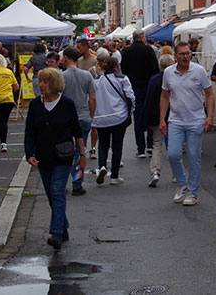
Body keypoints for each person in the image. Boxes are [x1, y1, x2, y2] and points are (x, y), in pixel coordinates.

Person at [24, 68, 85, 249]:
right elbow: (30, 132)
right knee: (51, 195)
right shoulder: (35, 105)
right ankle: (63, 226)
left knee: (57, 191)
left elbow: (77, 130)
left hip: (63, 156)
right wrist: (30, 154)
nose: (41, 85)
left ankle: (56, 233)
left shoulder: (66, 104)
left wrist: (82, 154)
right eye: (40, 81)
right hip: (43, 156)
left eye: (45, 82)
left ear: (55, 83)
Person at [159, 41, 214, 206]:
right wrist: (162, 119)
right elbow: (164, 96)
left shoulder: (199, 71)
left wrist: (209, 116)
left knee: (193, 156)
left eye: (188, 53)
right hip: (175, 119)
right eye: (182, 54)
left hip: (195, 119)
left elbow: (210, 94)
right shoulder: (168, 72)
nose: (185, 56)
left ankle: (193, 192)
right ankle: (183, 184)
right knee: (173, 154)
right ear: (175, 56)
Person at [93, 57, 135, 185]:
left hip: (101, 117)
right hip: (118, 116)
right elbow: (130, 96)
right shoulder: (122, 79)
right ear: (117, 66)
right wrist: (131, 111)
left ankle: (101, 166)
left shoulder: (97, 81)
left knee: (103, 143)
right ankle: (115, 175)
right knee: (117, 145)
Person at [60, 47, 96, 196]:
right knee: (80, 151)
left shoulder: (61, 76)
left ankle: (61, 183)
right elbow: (92, 98)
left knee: (63, 151)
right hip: (83, 117)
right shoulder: (87, 75)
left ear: (67, 58)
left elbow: (58, 99)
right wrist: (91, 115)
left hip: (66, 119)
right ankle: (77, 183)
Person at [120, 29, 159, 158]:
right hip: (148, 87)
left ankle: (140, 148)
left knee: (138, 117)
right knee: (150, 115)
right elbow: (155, 69)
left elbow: (123, 70)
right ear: (142, 37)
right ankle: (150, 145)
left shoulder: (126, 52)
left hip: (133, 87)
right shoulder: (149, 51)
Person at [142, 53, 175, 187]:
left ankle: (155, 172)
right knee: (173, 146)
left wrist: (146, 121)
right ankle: (176, 173)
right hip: (174, 115)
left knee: (157, 145)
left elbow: (148, 101)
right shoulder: (176, 78)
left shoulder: (155, 80)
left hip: (157, 116)